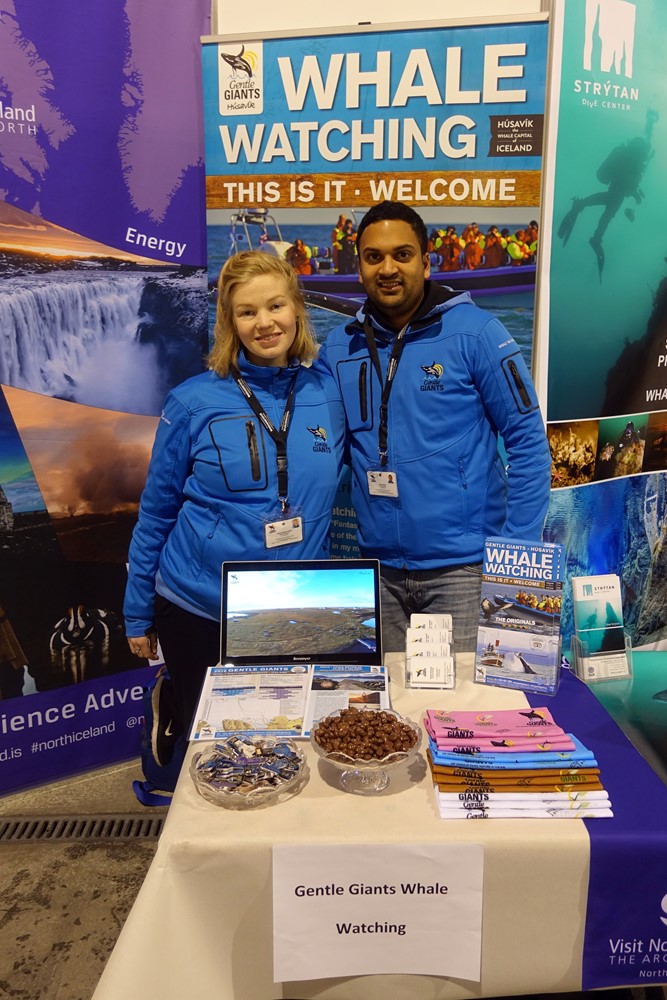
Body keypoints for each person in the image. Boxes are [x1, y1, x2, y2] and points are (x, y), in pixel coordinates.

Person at [124, 251, 345, 730]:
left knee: (288, 736)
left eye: (276, 306)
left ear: (297, 310)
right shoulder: (192, 401)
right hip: (200, 608)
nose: (265, 323)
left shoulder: (328, 391)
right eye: (247, 312)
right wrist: (137, 610)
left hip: (294, 607)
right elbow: (157, 512)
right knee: (208, 744)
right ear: (230, 322)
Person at [319, 201, 551, 654]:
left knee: (469, 714)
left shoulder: (476, 333)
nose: (388, 268)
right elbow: (326, 454)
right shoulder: (338, 346)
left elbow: (527, 444)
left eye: (402, 255)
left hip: (464, 574)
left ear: (426, 263)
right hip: (378, 573)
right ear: (359, 267)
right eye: (373, 257)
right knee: (386, 719)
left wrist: (515, 558)